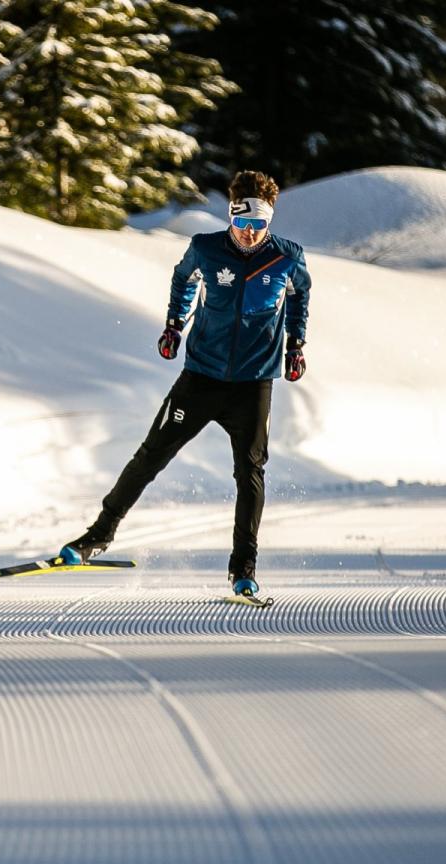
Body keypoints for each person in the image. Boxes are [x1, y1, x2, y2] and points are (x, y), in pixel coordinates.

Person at [62, 170, 311, 598]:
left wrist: (295, 345)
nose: (249, 234)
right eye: (242, 223)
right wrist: (174, 326)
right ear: (231, 216)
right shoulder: (205, 249)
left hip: (253, 384)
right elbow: (183, 281)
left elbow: (299, 296)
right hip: (200, 377)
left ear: (269, 223)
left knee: (250, 473)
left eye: (259, 226)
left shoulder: (287, 257)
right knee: (150, 455)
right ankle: (96, 537)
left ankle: (243, 569)